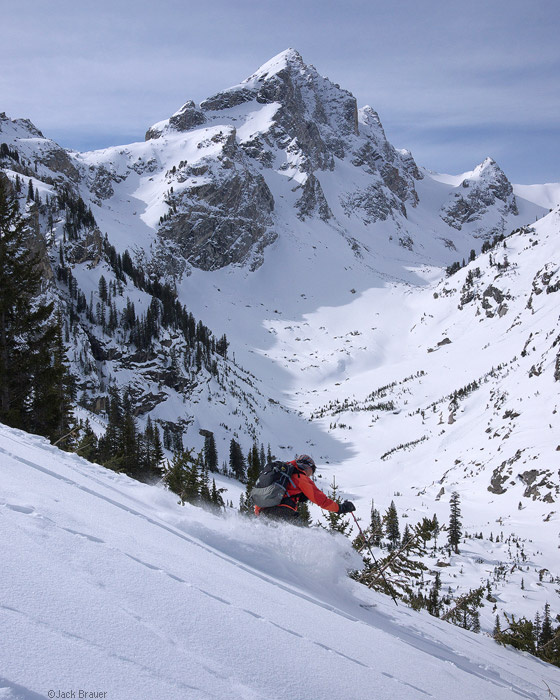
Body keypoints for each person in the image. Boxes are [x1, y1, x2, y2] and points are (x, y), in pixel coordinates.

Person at [254, 454, 355, 523]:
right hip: (283, 512)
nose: (310, 475)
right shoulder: (300, 477)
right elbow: (321, 500)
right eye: (312, 472)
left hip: (263, 512)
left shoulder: (282, 475)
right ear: (308, 467)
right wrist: (340, 508)